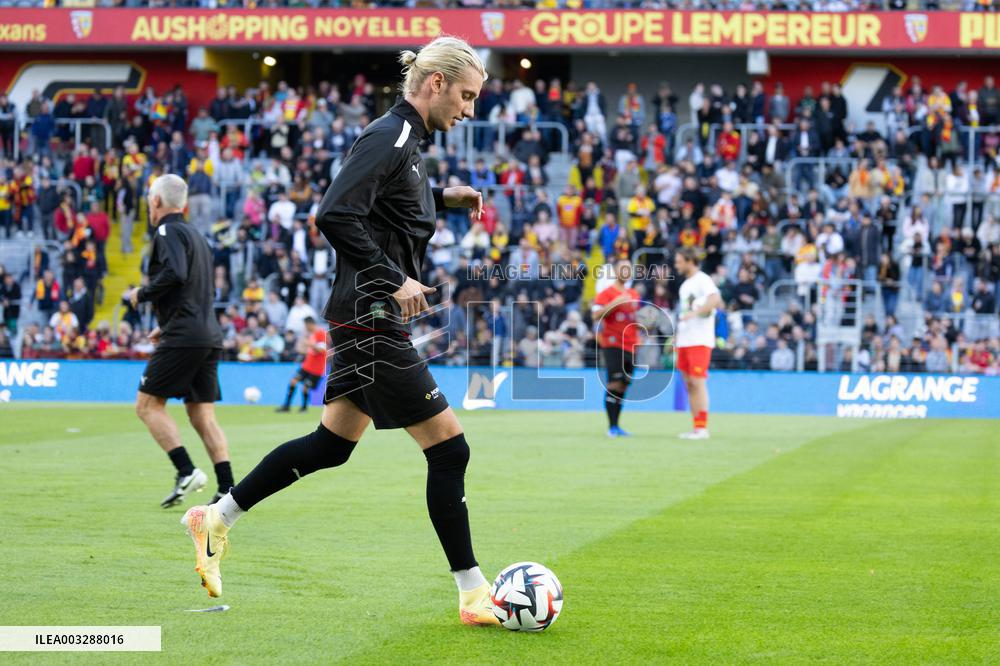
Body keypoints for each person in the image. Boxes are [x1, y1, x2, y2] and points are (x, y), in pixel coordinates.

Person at [179, 37, 501, 626]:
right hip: (370, 315)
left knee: (330, 447)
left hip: (363, 314)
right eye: (466, 95)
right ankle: (473, 593)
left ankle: (216, 517)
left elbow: (386, 204)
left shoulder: (407, 142)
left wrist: (443, 197)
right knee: (449, 448)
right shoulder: (391, 136)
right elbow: (334, 212)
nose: (469, 109)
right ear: (436, 83)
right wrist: (393, 278)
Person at [126, 174, 233, 509]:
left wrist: (141, 293)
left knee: (147, 405)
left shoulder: (166, 231)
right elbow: (200, 289)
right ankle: (227, 489)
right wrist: (168, 324)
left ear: (156, 201)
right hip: (207, 333)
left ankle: (186, 471)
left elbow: (176, 274)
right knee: (202, 414)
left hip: (186, 334)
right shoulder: (198, 237)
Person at [674, 247, 722, 440]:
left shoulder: (703, 279)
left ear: (689, 261)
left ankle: (702, 429)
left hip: (699, 339)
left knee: (697, 382)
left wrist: (695, 313)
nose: (676, 265)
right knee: (689, 384)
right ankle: (696, 427)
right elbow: (685, 311)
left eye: (679, 261)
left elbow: (715, 298)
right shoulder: (685, 285)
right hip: (685, 340)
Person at [591, 257, 640, 438]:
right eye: (622, 268)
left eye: (628, 269)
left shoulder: (634, 294)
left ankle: (617, 426)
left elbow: (637, 319)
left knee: (623, 386)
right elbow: (595, 315)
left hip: (631, 345)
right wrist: (615, 303)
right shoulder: (606, 293)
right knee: (613, 383)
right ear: (615, 272)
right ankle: (611, 427)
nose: (626, 272)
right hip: (613, 344)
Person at [276, 316, 327, 413]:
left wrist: (310, 344)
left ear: (310, 324)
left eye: (305, 325)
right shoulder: (311, 335)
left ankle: (304, 408)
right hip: (307, 366)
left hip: (317, 369)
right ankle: (286, 406)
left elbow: (322, 350)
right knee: (293, 381)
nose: (305, 327)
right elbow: (310, 350)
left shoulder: (321, 333)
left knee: (305, 388)